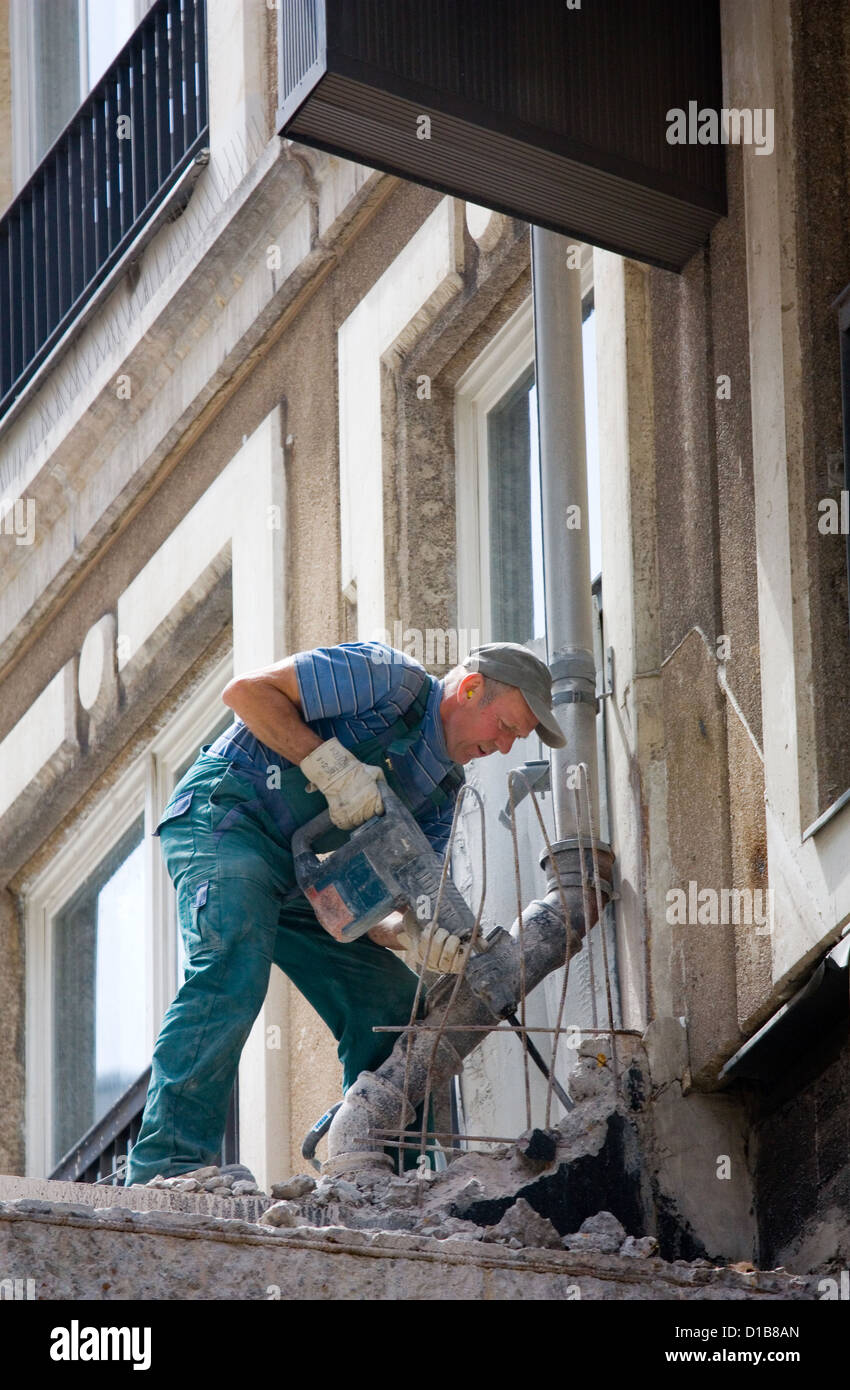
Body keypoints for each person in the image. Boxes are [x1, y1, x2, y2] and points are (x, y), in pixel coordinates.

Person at [124, 639, 565, 1186]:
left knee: (390, 1002)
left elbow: (387, 903)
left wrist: (413, 937)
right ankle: (167, 1167)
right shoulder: (389, 681)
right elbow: (247, 694)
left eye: (514, 741)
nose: (502, 748)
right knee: (234, 962)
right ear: (472, 689)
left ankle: (377, 1178)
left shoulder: (443, 788)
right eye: (505, 726)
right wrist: (329, 766)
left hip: (295, 877)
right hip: (227, 818)